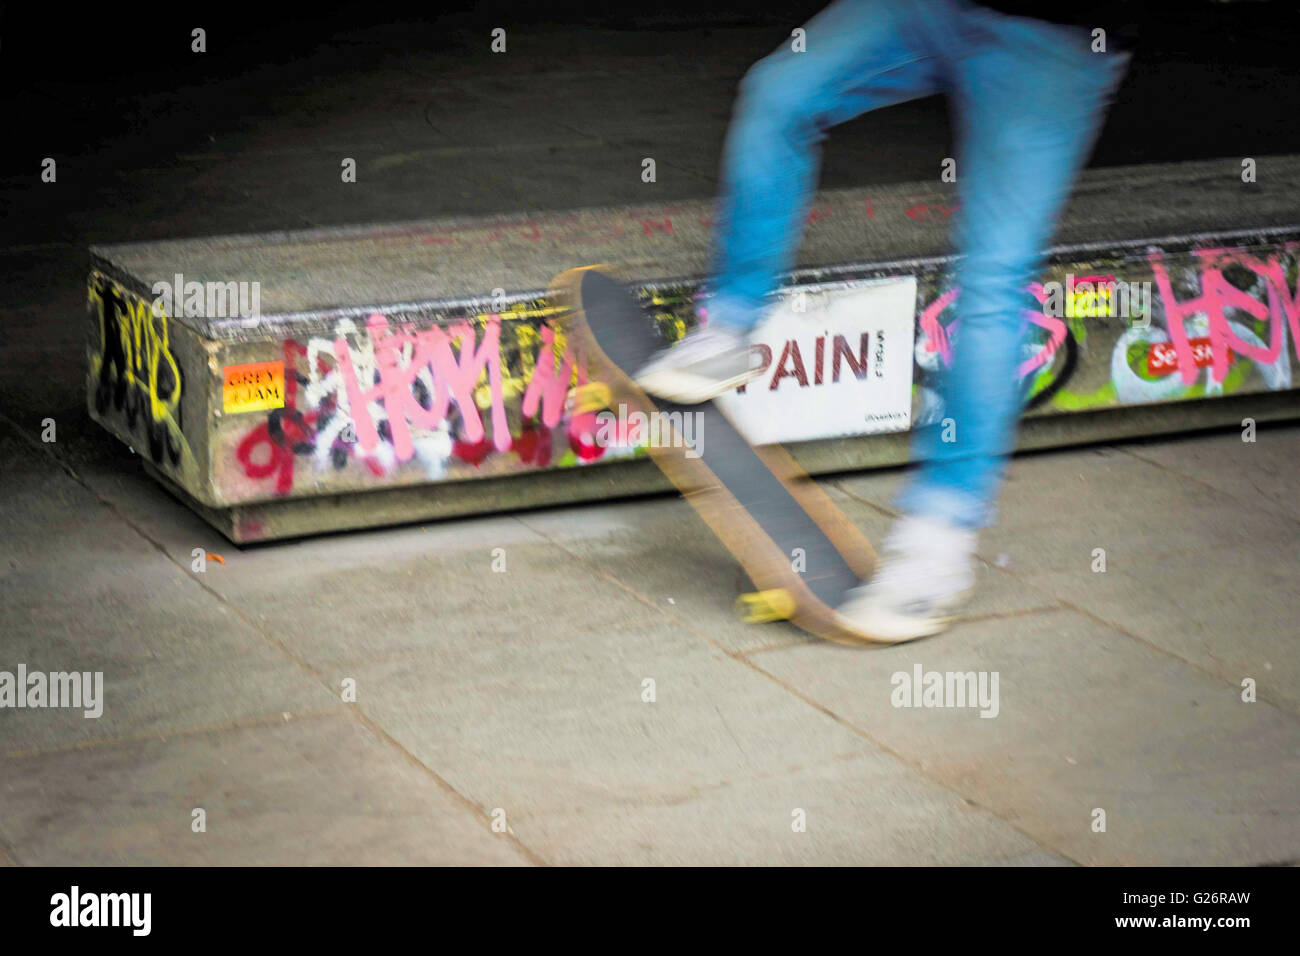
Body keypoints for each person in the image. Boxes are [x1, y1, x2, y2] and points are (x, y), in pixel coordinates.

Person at [633, 0, 1136, 641]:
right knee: (780, 92)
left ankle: (938, 546)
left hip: (1052, 41)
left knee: (990, 280)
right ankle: (729, 327)